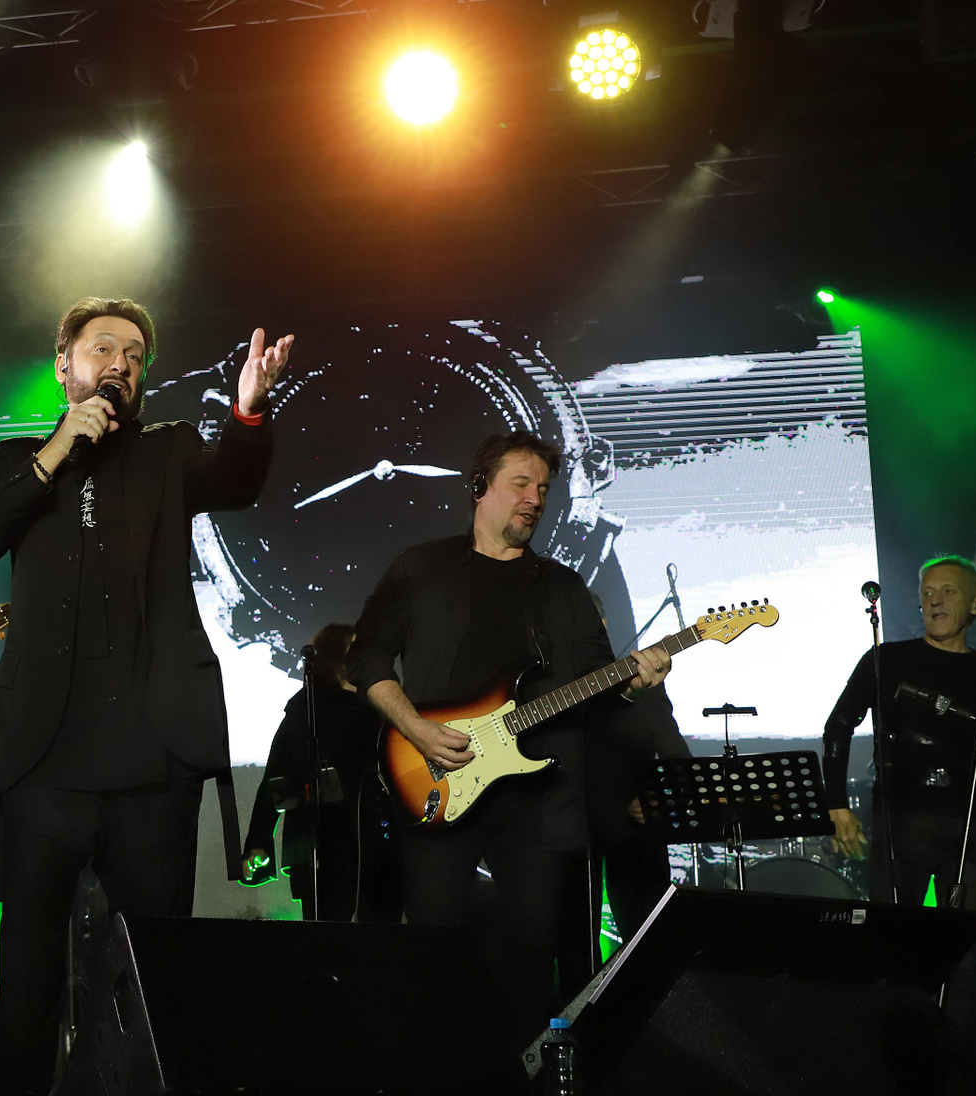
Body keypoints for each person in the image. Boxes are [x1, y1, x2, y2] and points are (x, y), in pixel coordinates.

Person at [0, 296, 292, 1096]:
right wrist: (57, 450)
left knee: (153, 951)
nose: (122, 365)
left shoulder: (169, 451)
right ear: (64, 366)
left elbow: (236, 479)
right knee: (31, 948)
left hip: (151, 750)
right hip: (45, 754)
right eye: (104, 348)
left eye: (135, 356)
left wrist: (250, 410)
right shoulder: (21, 460)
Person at [347, 432, 673, 1051]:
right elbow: (366, 657)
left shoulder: (563, 589)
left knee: (529, 958)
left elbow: (599, 689)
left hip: (539, 801)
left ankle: (520, 1086)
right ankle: (435, 1083)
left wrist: (633, 687)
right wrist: (415, 727)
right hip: (438, 782)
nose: (535, 499)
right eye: (521, 483)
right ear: (480, 487)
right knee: (433, 948)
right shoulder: (420, 567)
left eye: (543, 489)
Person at [824, 555, 976, 1050]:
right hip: (899, 822)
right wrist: (837, 805)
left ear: (975, 603)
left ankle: (957, 1067)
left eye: (948, 591)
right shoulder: (886, 660)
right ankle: (894, 1060)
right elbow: (839, 725)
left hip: (966, 829)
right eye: (927, 592)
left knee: (965, 959)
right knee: (891, 949)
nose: (934, 600)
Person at [242, 623, 397, 922]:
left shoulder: (370, 708)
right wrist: (258, 842)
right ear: (337, 658)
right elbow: (276, 776)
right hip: (327, 844)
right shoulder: (308, 710)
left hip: (364, 842)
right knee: (330, 928)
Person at [580, 594, 691, 963]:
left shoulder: (641, 683)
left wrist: (657, 796)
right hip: (568, 842)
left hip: (632, 842)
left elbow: (678, 761)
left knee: (650, 951)